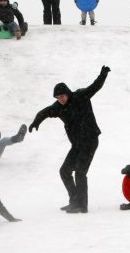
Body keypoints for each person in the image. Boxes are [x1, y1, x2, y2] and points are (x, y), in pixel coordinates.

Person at [29, 66, 110, 213]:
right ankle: (74, 201)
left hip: (90, 140)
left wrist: (102, 75)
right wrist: (36, 122)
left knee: (80, 171)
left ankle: (82, 205)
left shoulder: (80, 96)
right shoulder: (58, 107)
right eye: (58, 98)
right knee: (65, 171)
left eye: (62, 96)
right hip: (78, 145)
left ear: (67, 93)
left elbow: (95, 87)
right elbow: (45, 112)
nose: (60, 100)